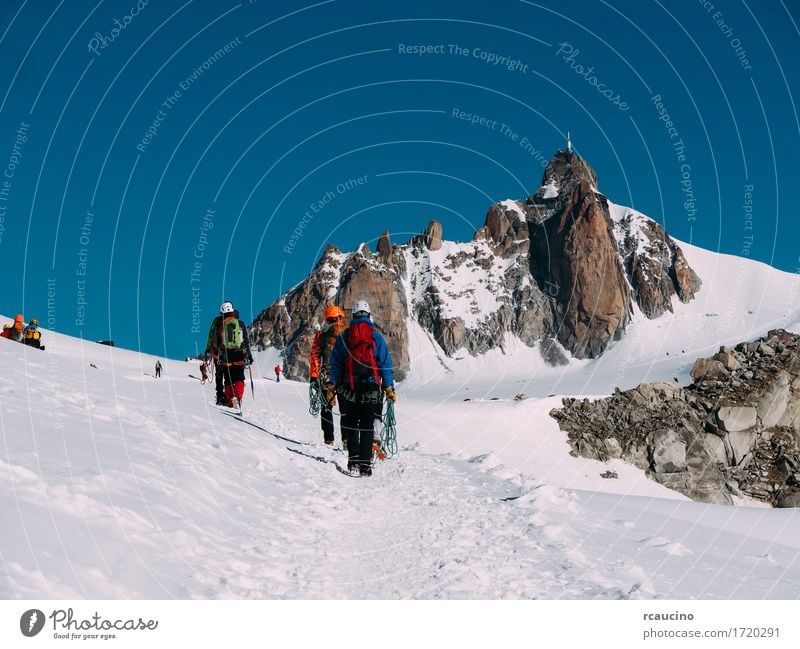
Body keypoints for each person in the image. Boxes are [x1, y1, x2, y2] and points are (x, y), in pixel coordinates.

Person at [328, 299, 395, 477]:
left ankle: (353, 461)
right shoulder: (376, 337)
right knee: (367, 426)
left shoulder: (345, 337)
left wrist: (332, 384)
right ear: (369, 316)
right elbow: (385, 364)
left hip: (349, 386)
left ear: (354, 316)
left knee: (351, 424)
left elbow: (335, 362)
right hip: (371, 386)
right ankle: (365, 465)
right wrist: (388, 387)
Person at [309, 305, 347, 447]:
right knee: (346, 409)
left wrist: (314, 375)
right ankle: (347, 439)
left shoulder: (321, 334)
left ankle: (328, 438)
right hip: (344, 376)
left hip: (327, 375)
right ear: (340, 317)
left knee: (326, 407)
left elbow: (315, 355)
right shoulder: (348, 332)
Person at [207, 302, 253, 409]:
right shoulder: (240, 323)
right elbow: (246, 341)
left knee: (228, 380)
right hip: (238, 353)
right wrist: (249, 355)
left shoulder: (220, 325)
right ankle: (238, 396)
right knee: (239, 378)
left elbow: (216, 342)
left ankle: (230, 402)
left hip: (225, 355)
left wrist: (217, 354)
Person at [205, 303, 229, 405]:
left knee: (219, 374)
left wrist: (208, 349)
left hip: (217, 353)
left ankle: (220, 396)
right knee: (229, 374)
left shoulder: (217, 321)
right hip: (231, 352)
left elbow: (211, 336)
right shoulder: (235, 321)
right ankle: (230, 396)